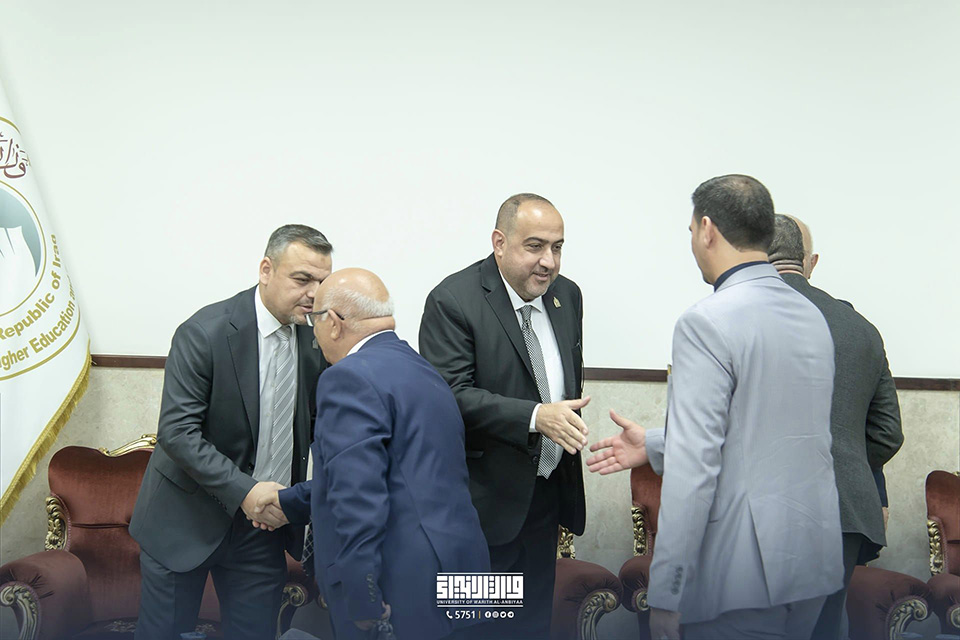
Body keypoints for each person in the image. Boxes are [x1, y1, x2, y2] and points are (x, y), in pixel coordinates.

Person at [587, 175, 843, 640]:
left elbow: (694, 470)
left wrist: (668, 593)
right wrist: (656, 443)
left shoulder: (705, 322)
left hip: (742, 575)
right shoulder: (811, 317)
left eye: (690, 231)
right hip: (811, 565)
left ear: (707, 229)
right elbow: (769, 430)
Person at [255, 268, 490, 640]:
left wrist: (363, 598)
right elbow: (402, 475)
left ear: (333, 323)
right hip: (468, 570)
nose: (314, 336)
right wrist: (288, 503)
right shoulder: (424, 370)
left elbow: (358, 497)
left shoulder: (348, 378)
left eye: (315, 322)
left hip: (403, 585)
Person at [129, 225, 332, 640]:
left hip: (263, 529)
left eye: (322, 282)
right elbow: (178, 432)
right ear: (266, 270)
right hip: (183, 520)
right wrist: (246, 491)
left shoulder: (316, 339)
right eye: (302, 279)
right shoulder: (204, 332)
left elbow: (316, 425)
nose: (314, 294)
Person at [419, 193, 587, 640]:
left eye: (557, 247)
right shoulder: (453, 300)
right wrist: (535, 416)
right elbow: (448, 396)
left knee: (531, 627)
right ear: (499, 242)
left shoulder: (566, 295)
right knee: (476, 628)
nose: (549, 261)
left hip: (544, 499)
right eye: (535, 246)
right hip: (480, 510)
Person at [768, 214, 903, 640]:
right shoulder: (861, 328)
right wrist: (842, 460)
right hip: (842, 510)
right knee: (822, 628)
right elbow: (887, 433)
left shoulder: (733, 316)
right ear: (806, 260)